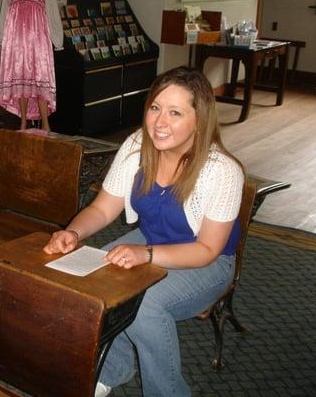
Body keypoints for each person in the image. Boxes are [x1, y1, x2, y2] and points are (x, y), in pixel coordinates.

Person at [43, 66, 245, 397]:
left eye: (175, 113)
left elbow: (208, 249)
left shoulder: (222, 171)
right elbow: (103, 208)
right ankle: (113, 369)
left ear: (200, 120)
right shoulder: (138, 144)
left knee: (144, 303)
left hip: (208, 262)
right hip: (151, 240)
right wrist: (74, 233)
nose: (160, 122)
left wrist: (146, 255)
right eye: (155, 108)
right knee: (100, 276)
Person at [0, 0, 63, 131]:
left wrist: (57, 38)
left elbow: (51, 10)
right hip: (17, 36)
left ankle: (45, 123)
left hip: (38, 35)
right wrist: (2, 35)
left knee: (40, 77)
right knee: (22, 77)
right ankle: (23, 122)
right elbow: (5, 8)